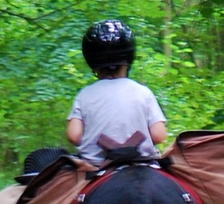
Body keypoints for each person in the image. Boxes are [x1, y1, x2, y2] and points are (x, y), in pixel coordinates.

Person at [66, 18, 167, 165]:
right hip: (142, 163)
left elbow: (74, 136)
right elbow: (159, 135)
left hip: (96, 166)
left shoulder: (84, 95)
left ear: (93, 64)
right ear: (128, 60)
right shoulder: (143, 92)